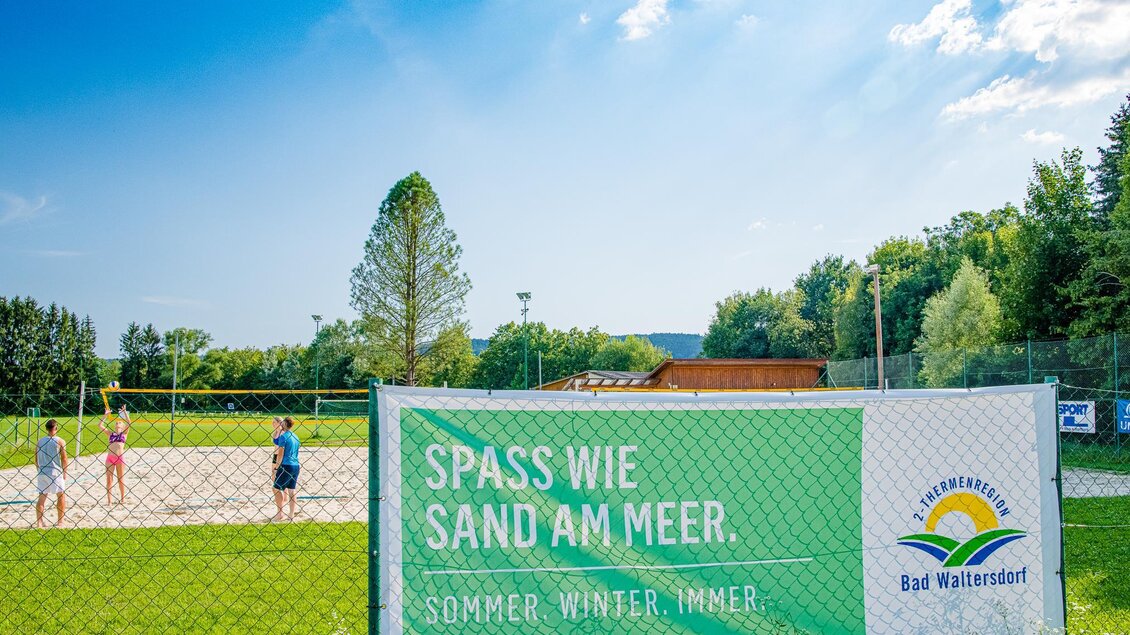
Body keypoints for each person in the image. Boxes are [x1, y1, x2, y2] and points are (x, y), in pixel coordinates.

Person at [34, 419, 67, 528]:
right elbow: (64, 458)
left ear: (47, 428)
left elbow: (36, 459)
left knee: (42, 497)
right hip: (55, 472)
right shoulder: (60, 441)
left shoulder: (39, 441)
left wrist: (39, 469)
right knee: (61, 496)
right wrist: (65, 472)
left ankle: (39, 522)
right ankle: (60, 521)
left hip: (42, 471)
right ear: (56, 428)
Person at [98, 406, 132, 505]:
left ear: (123, 426)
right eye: (116, 423)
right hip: (110, 458)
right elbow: (100, 425)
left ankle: (122, 498)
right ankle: (109, 501)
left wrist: (125, 412)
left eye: (120, 422)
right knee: (109, 479)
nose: (117, 423)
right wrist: (105, 415)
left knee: (120, 479)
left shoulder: (124, 434)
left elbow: (129, 423)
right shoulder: (110, 434)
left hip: (120, 458)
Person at [272, 416, 300, 521]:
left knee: (276, 488)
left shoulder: (284, 437)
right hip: (295, 465)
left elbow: (280, 454)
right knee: (292, 490)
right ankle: (291, 514)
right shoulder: (295, 436)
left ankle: (280, 513)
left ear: (284, 424)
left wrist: (276, 468)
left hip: (285, 465)